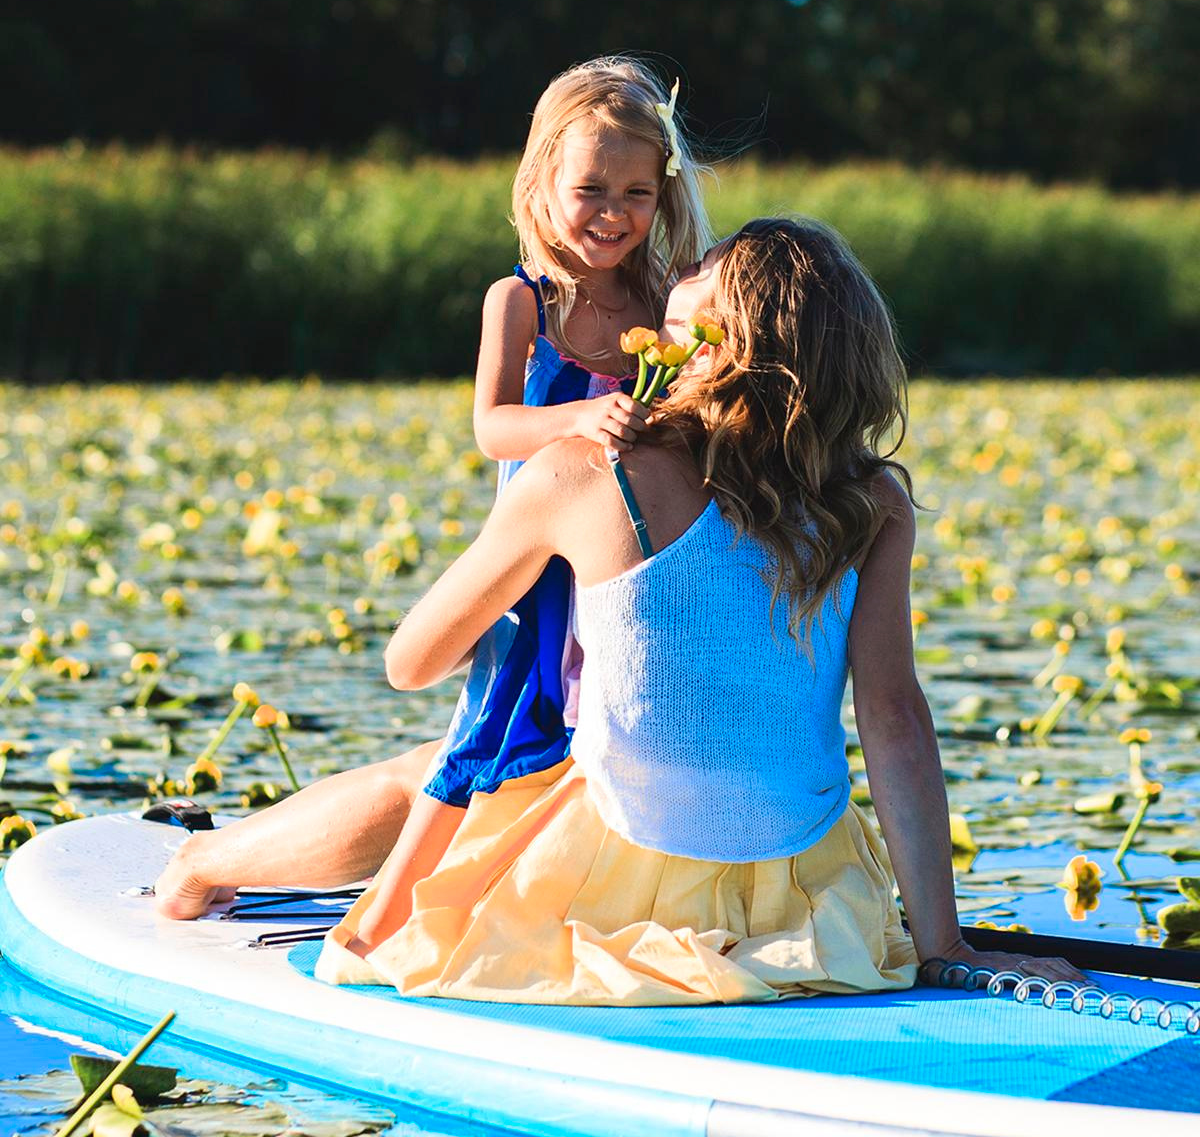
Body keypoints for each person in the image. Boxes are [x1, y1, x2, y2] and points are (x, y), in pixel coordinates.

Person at [314, 219, 1079, 1001]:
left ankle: (225, 863)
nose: (679, 268)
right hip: (805, 904)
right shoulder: (871, 500)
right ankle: (224, 861)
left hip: (607, 893)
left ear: (716, 340)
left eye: (703, 266)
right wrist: (943, 944)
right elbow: (893, 719)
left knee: (433, 773)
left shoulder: (582, 471)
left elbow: (410, 664)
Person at [155, 56, 710, 924]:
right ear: (542, 183)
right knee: (477, 756)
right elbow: (493, 426)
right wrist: (578, 421)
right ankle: (217, 866)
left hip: (627, 581)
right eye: (591, 189)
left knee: (560, 766)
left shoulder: (670, 301)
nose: (614, 213)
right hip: (535, 579)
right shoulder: (522, 302)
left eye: (637, 193)